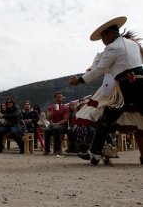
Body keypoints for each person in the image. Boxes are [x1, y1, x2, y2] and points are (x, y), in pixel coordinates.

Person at [70, 16, 143, 165]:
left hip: (126, 87)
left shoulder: (112, 48)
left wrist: (80, 80)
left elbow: (99, 69)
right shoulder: (133, 44)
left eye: (103, 37)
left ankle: (95, 153)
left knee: (106, 119)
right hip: (141, 82)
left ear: (110, 33)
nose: (103, 41)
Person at [43, 92, 69, 157]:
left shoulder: (65, 107)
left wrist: (57, 124)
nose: (59, 99)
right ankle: (47, 149)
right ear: (55, 98)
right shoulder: (50, 107)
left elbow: (65, 119)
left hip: (63, 126)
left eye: (60, 97)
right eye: (58, 97)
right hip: (53, 125)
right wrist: (53, 111)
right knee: (46, 130)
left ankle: (57, 150)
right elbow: (48, 118)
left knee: (56, 128)